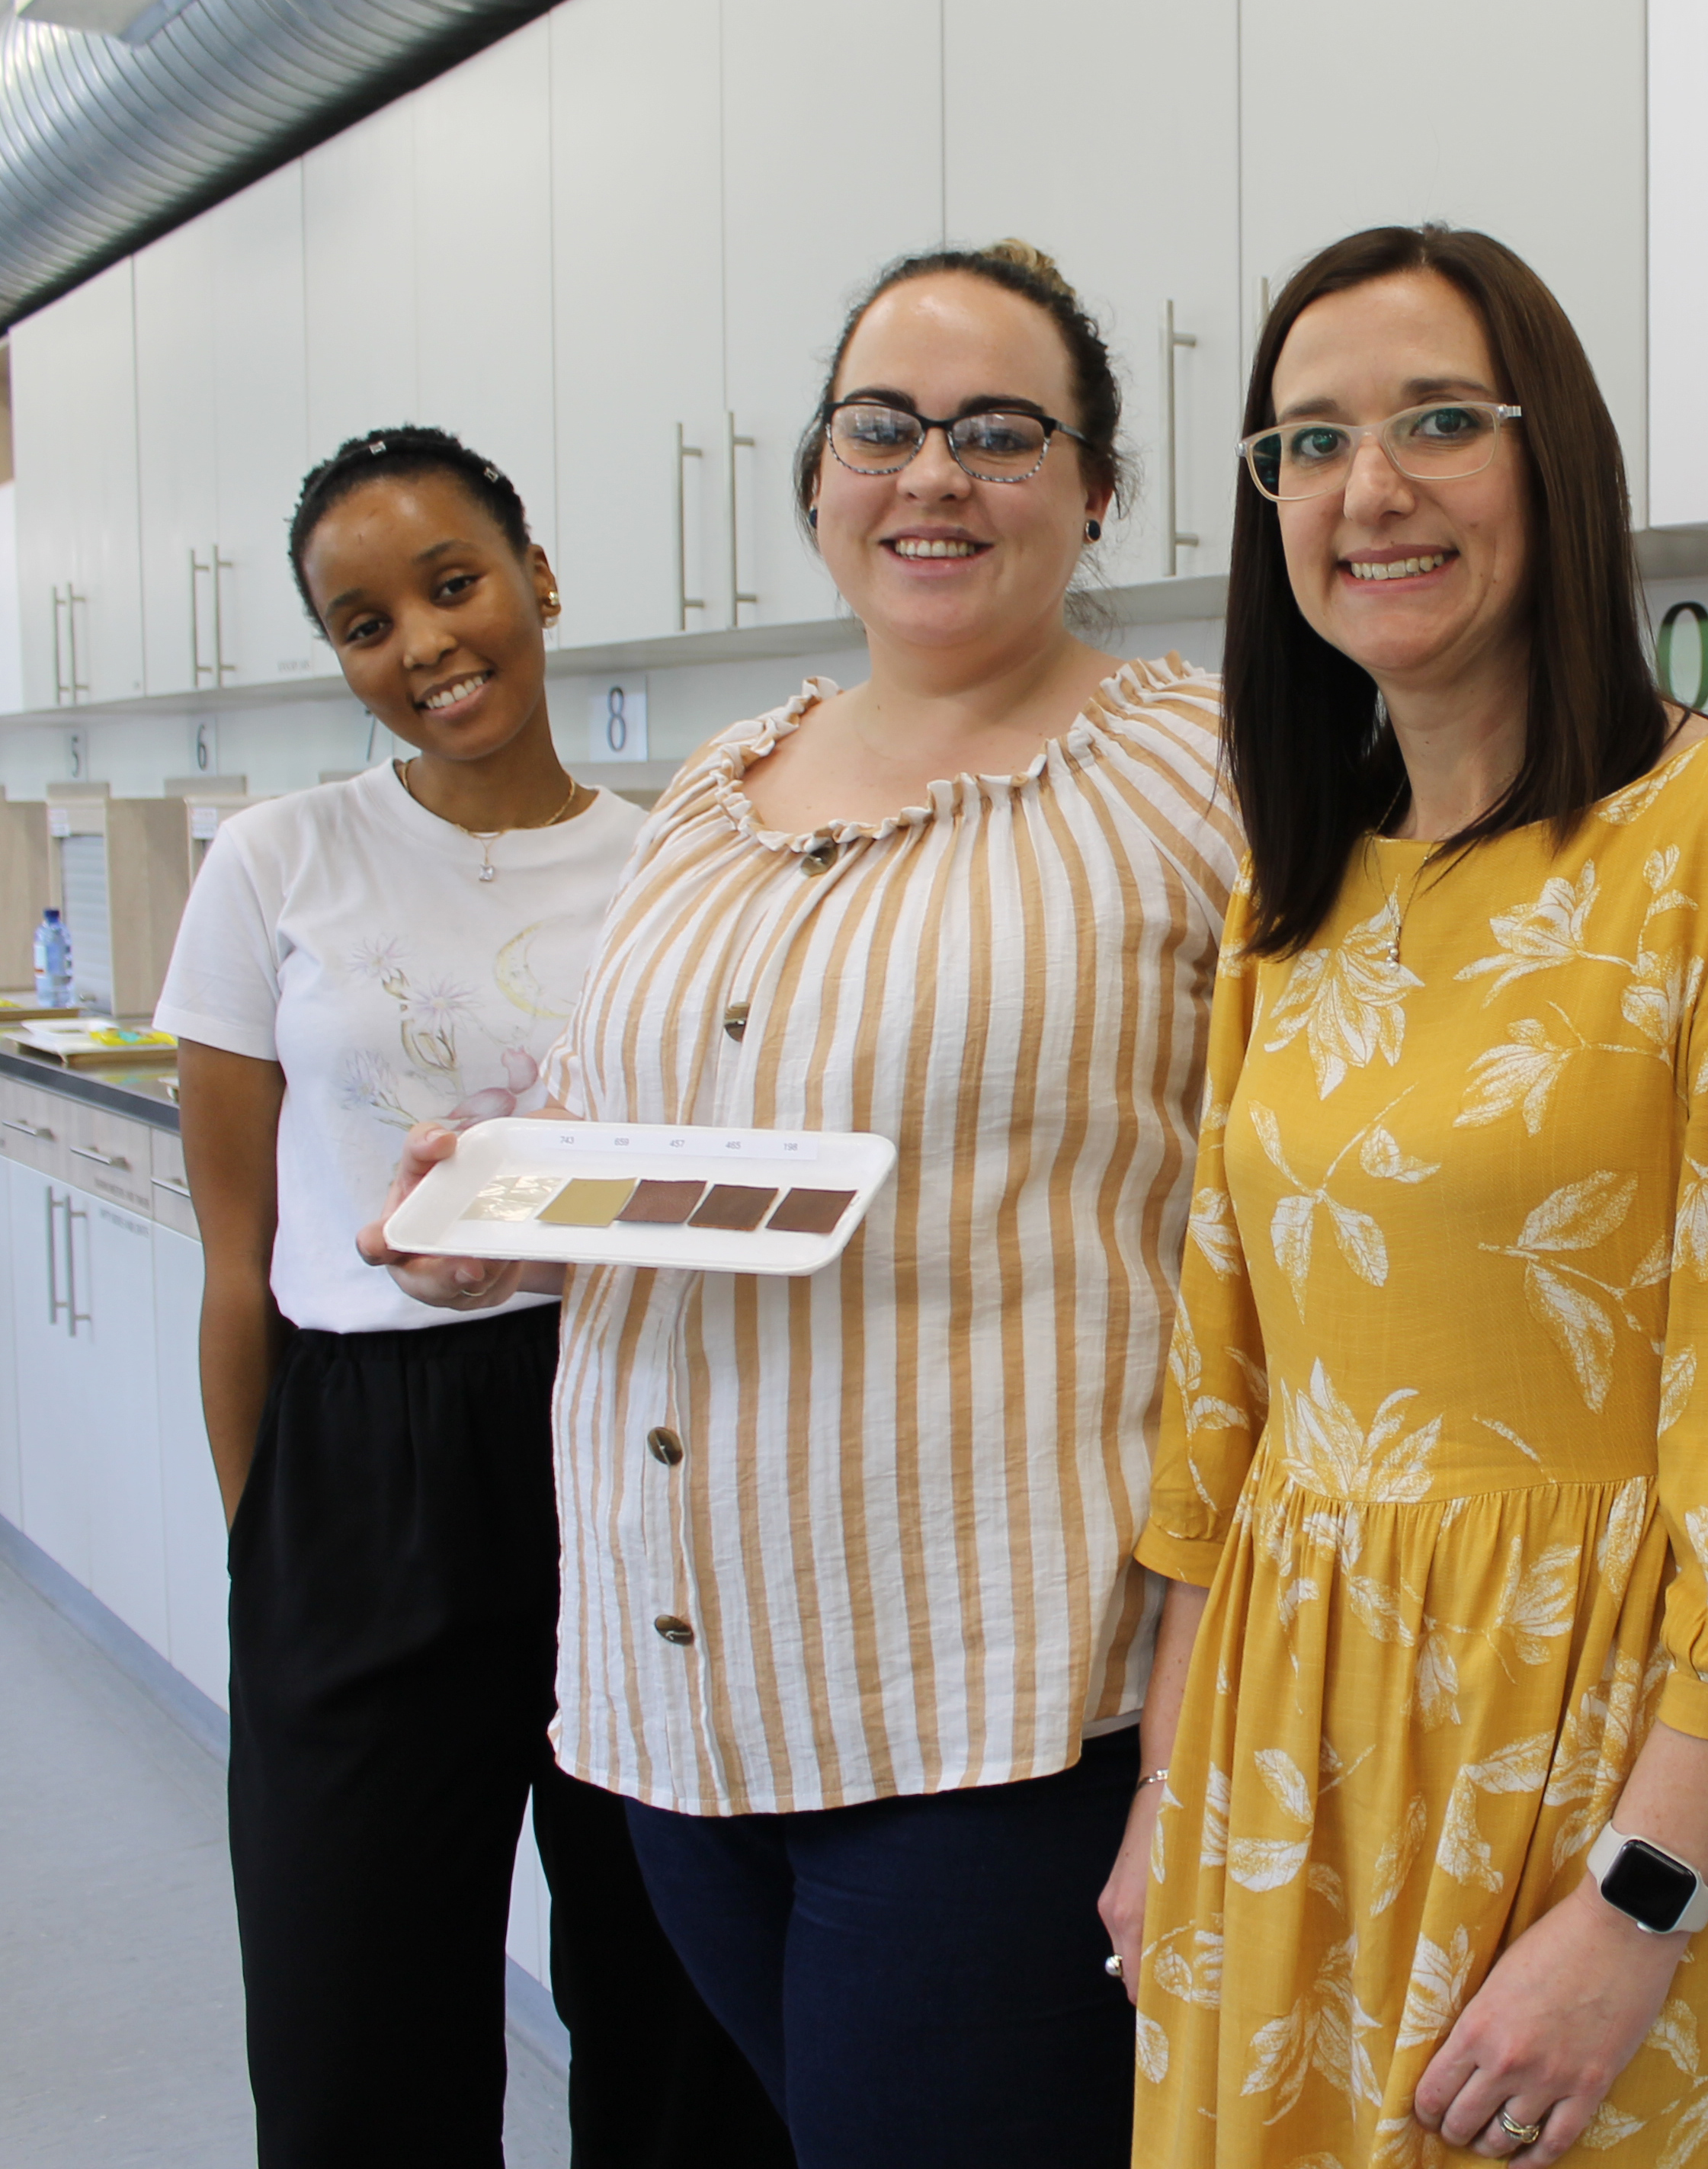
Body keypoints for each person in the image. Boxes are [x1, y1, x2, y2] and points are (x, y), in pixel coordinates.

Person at [364, 245, 1241, 2167]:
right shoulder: (713, 784)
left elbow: (1380, 1160)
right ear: (818, 475)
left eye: (1001, 432)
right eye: (883, 426)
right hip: (675, 1698)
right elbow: (619, 1125)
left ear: (1096, 489)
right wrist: (501, 1210)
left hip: (988, 1709)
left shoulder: (1204, 772)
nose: (933, 473)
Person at [1111, 225, 1708, 2167]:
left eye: (1436, 423)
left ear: (1553, 457)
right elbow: (1222, 1400)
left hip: (1614, 1768)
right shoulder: (1288, 896)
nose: (1367, 488)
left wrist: (1637, 1906)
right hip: (1294, 1747)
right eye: (1306, 444)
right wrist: (1170, 1791)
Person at [159, 428, 789, 2167]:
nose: (424, 643)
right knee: (354, 2005)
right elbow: (235, 1253)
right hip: (357, 1464)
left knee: (673, 2002)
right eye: (364, 622)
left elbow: (709, 1189)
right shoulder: (274, 862)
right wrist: (264, 1547)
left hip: (627, 1437)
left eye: (454, 584)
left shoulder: (681, 868)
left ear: (537, 582)